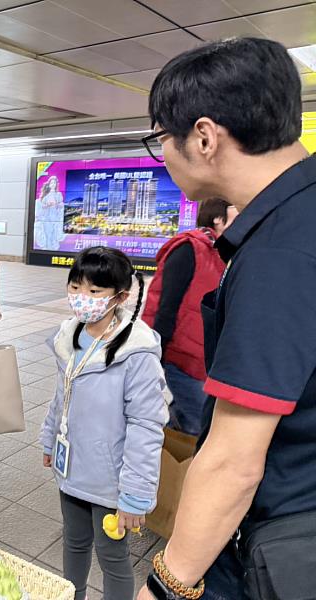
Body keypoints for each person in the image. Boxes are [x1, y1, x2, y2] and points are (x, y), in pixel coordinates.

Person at [136, 38, 316, 600]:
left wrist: (168, 584)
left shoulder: (280, 255)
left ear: (205, 137)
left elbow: (236, 460)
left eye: (162, 138)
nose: (162, 153)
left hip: (287, 531)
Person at [40, 247, 167, 600]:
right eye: (77, 287)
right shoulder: (71, 336)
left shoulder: (136, 353)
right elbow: (60, 396)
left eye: (95, 292)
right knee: (74, 542)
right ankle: (72, 595)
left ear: (121, 296)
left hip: (112, 481)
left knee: (112, 557)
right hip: (72, 469)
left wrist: (136, 495)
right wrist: (49, 439)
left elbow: (146, 425)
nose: (83, 299)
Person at [141, 198, 237, 436]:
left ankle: (164, 457)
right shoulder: (189, 248)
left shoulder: (224, 252)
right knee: (196, 423)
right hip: (181, 356)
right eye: (237, 210)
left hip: (205, 358)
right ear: (218, 218)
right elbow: (166, 305)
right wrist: (154, 355)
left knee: (187, 416)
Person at [36, 174, 65, 250]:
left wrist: (58, 205)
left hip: (55, 217)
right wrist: (48, 205)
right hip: (46, 217)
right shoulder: (45, 194)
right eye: (51, 183)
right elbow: (42, 206)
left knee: (54, 233)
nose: (53, 184)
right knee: (47, 233)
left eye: (54, 183)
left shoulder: (58, 194)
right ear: (49, 184)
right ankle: (48, 248)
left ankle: (54, 247)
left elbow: (61, 204)